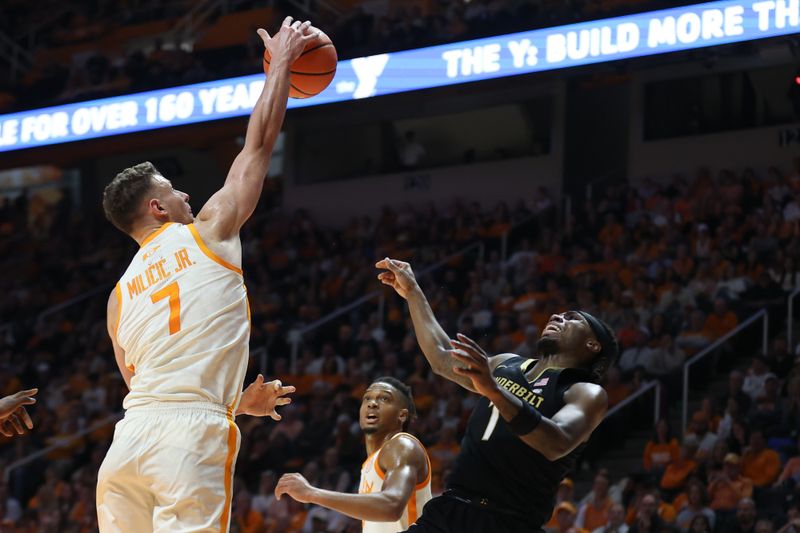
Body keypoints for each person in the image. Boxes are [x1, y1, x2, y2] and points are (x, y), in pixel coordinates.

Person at [95, 17, 317, 532]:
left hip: (127, 444)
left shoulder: (117, 299)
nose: (187, 196)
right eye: (175, 190)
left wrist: (236, 402)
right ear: (158, 207)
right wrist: (281, 63)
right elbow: (258, 146)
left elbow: (152, 387)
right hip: (188, 443)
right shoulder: (207, 230)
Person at [375, 258, 619, 533]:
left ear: (592, 344)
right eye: (559, 314)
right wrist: (413, 293)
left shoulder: (585, 391)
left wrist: (494, 390)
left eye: (571, 318)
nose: (557, 317)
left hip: (508, 521)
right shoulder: (507, 364)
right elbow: (442, 359)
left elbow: (557, 442)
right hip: (451, 509)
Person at [274, 377, 431, 533]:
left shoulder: (403, 445)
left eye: (384, 398)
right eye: (367, 398)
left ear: (402, 415)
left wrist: (311, 493)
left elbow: (391, 506)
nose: (372, 403)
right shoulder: (370, 463)